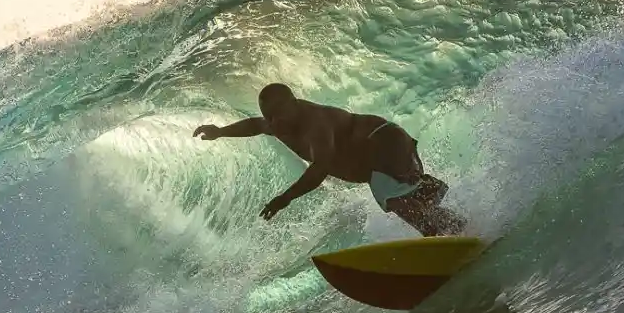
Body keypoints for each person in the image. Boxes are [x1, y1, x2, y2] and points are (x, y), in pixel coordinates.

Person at [192, 83, 465, 236]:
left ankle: (441, 239)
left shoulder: (316, 125)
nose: (274, 122)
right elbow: (253, 125)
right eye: (269, 116)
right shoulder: (277, 123)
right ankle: (460, 230)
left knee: (394, 199)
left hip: (383, 143)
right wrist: (220, 132)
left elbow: (320, 168)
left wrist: (285, 198)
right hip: (386, 148)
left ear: (294, 103)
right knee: (414, 202)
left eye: (278, 114)